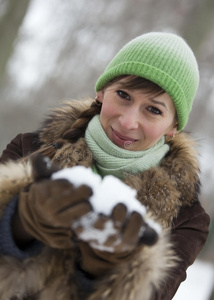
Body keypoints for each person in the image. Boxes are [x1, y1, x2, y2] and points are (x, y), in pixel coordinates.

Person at [0, 32, 210, 300]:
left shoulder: (187, 219)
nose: (128, 122)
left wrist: (100, 271)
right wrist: (18, 224)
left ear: (173, 127)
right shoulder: (29, 150)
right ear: (101, 92)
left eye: (154, 110)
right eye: (123, 95)